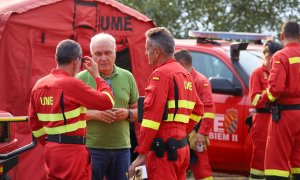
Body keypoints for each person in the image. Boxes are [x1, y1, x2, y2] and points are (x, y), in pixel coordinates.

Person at [28, 39, 114, 180]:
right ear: (76, 61)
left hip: (51, 150)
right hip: (72, 152)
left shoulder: (39, 85)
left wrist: (51, 142)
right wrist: (97, 76)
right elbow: (107, 101)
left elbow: (34, 124)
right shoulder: (72, 84)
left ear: (57, 58)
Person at [128, 27, 204, 180]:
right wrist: (181, 131)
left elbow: (151, 118)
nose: (145, 53)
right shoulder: (186, 75)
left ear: (156, 51)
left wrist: (141, 154)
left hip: (162, 151)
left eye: (147, 49)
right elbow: (198, 110)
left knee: (135, 176)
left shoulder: (160, 74)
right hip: (181, 148)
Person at [77, 33, 139, 180]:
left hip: (122, 148)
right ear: (91, 55)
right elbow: (69, 114)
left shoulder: (128, 76)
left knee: (132, 178)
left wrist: (127, 113)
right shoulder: (80, 78)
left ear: (115, 52)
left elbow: (138, 112)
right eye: (98, 54)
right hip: (91, 148)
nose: (103, 58)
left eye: (108, 53)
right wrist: (94, 114)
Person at [259, 21, 300, 180]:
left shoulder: (281, 56)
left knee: (276, 161)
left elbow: (275, 89)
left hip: (285, 115)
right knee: (298, 160)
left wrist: (263, 99)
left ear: (282, 36)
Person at [174, 49, 215, 180]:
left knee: (201, 167)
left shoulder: (200, 81)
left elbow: (208, 109)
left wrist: (202, 133)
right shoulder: (180, 78)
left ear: (180, 63)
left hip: (195, 132)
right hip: (181, 130)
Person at [248, 40, 282, 179]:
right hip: (262, 119)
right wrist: (270, 95)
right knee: (260, 156)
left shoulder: (281, 71)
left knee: (279, 156)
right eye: (268, 55)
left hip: (279, 118)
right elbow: (255, 99)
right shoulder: (257, 73)